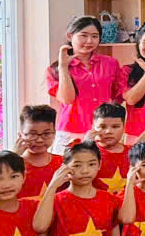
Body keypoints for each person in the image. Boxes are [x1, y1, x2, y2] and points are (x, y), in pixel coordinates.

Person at [46, 16, 122, 152]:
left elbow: (117, 97)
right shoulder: (55, 69)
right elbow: (67, 99)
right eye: (84, 35)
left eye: (95, 36)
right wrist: (63, 67)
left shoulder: (111, 63)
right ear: (70, 36)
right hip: (71, 132)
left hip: (102, 132)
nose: (89, 41)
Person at [13, 105, 63, 198]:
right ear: (20, 135)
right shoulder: (12, 166)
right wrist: (13, 157)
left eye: (46, 133)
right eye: (32, 134)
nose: (39, 140)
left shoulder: (63, 164)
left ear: (54, 134)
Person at [88, 103, 131, 197]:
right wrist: (86, 146)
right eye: (103, 127)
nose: (109, 131)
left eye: (115, 126)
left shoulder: (133, 153)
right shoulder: (87, 152)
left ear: (124, 127)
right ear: (93, 128)